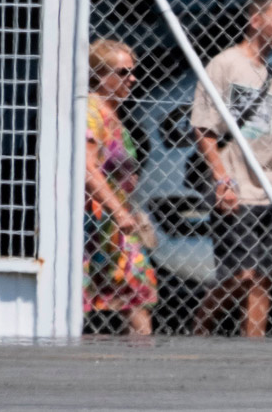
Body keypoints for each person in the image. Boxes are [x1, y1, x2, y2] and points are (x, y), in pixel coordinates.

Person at [191, 0, 272, 338]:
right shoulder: (226, 64)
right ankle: (202, 320)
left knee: (263, 278)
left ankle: (255, 347)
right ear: (255, 21)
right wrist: (221, 179)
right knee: (242, 273)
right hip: (236, 184)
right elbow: (204, 127)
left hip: (269, 189)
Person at [83, 39, 158, 335]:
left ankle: (143, 364)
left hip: (115, 226)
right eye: (123, 72)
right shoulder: (92, 111)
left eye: (133, 71)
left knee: (139, 288)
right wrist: (119, 211)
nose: (132, 78)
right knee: (83, 294)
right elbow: (89, 168)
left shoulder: (114, 114)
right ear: (99, 76)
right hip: (93, 221)